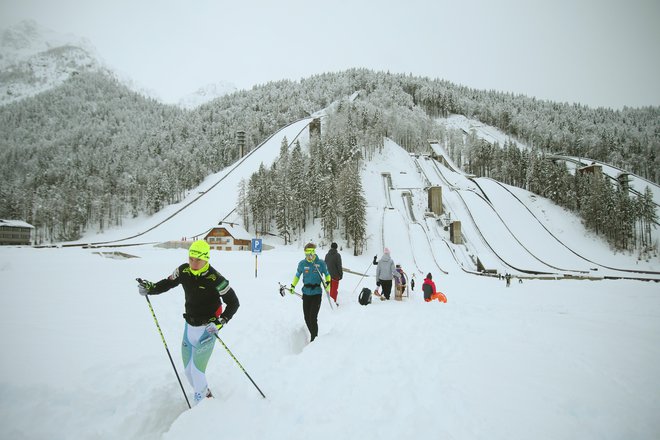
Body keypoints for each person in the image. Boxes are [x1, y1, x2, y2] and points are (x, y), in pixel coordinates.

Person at [137, 240, 240, 405]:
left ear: (206, 259)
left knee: (197, 371)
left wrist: (220, 322)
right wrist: (151, 288)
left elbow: (234, 303)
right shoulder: (183, 270)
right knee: (188, 371)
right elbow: (168, 283)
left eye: (198, 260)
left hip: (208, 329)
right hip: (189, 327)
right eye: (191, 258)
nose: (193, 263)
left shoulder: (216, 279)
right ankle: (205, 394)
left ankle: (202, 406)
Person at [289, 242, 331, 342]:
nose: (309, 256)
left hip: (316, 293)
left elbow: (327, 274)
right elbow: (297, 275)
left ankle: (314, 339)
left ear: (314, 252)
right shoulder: (302, 264)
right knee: (307, 317)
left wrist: (328, 283)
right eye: (307, 254)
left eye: (310, 253)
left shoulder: (320, 263)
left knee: (313, 317)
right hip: (306, 293)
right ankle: (313, 334)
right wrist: (293, 286)